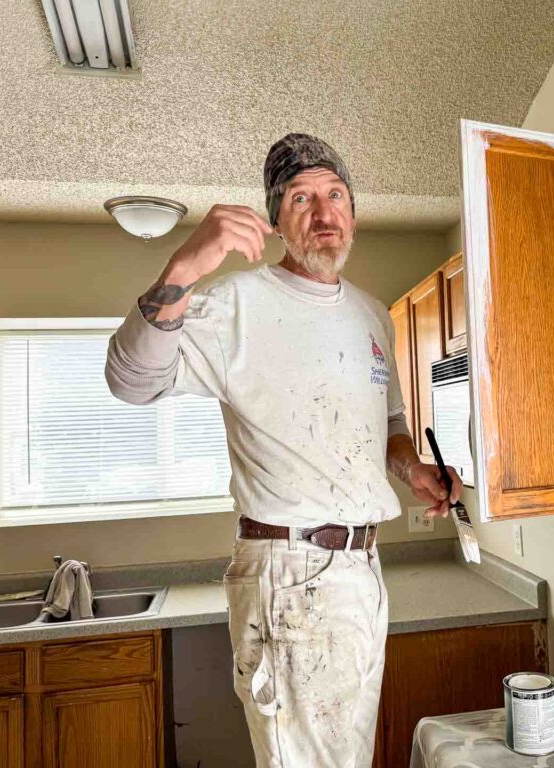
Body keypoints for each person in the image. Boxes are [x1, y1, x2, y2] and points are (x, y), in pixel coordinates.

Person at [105, 133, 463, 767]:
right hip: (291, 574)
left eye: (336, 195)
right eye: (302, 199)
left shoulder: (372, 316)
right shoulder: (236, 304)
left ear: (352, 211)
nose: (324, 214)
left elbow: (388, 426)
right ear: (275, 221)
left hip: (362, 573)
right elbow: (131, 382)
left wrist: (414, 470)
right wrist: (184, 268)